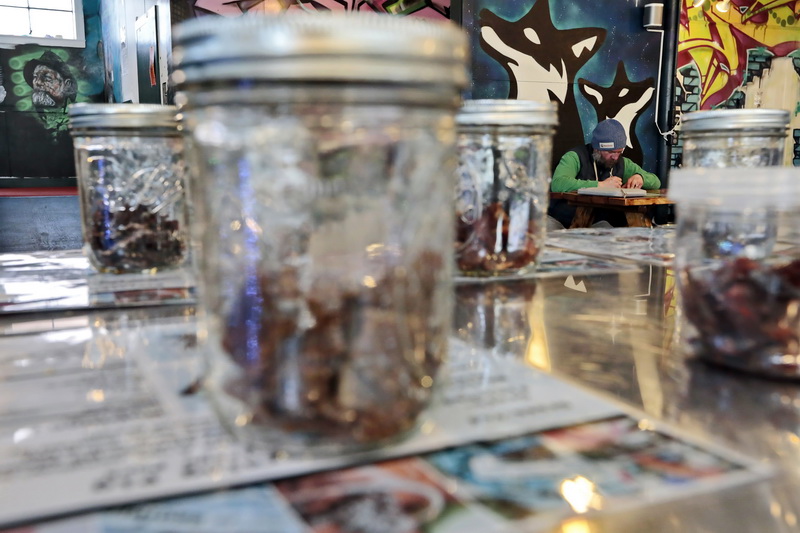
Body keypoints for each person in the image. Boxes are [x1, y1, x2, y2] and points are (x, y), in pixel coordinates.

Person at [548, 118, 660, 228]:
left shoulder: (623, 163)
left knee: (611, 231)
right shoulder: (575, 157)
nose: (615, 157)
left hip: (599, 223)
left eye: (619, 152)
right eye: (610, 151)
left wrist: (640, 178)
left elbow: (656, 182)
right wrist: (600, 186)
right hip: (563, 220)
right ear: (597, 148)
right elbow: (558, 183)